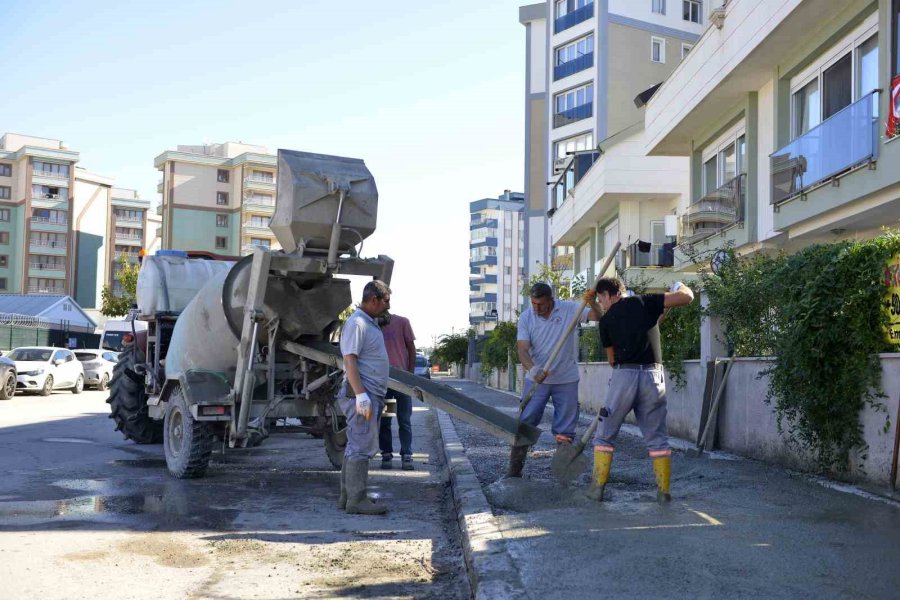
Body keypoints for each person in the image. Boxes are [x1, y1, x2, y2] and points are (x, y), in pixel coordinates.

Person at [584, 277, 694, 503]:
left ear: (608, 294)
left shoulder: (606, 322)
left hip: (624, 375)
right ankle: (663, 492)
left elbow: (613, 360)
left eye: (600, 300)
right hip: (654, 377)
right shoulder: (645, 303)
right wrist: (680, 287)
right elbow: (687, 297)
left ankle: (597, 489)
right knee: (658, 439)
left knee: (604, 436)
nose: (601, 304)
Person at [507, 282, 599, 478]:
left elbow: (597, 317)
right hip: (537, 380)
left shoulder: (570, 309)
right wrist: (532, 370)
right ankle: (514, 472)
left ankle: (563, 474)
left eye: (541, 304)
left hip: (566, 379)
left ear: (551, 300)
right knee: (526, 423)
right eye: (533, 303)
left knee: (565, 430)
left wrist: (594, 303)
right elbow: (522, 349)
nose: (536, 308)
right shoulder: (526, 318)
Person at [336, 280, 392, 515]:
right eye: (386, 301)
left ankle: (347, 497)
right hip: (362, 393)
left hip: (368, 393)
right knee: (360, 446)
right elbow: (349, 360)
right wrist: (361, 395)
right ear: (373, 300)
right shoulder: (357, 323)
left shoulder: (367, 322)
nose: (388, 305)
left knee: (355, 445)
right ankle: (356, 500)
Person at [378, 312, 417, 471]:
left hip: (402, 383)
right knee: (385, 421)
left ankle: (406, 455)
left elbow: (411, 349)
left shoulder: (402, 322)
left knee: (404, 420)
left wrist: (410, 375)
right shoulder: (374, 324)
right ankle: (386, 454)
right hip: (384, 383)